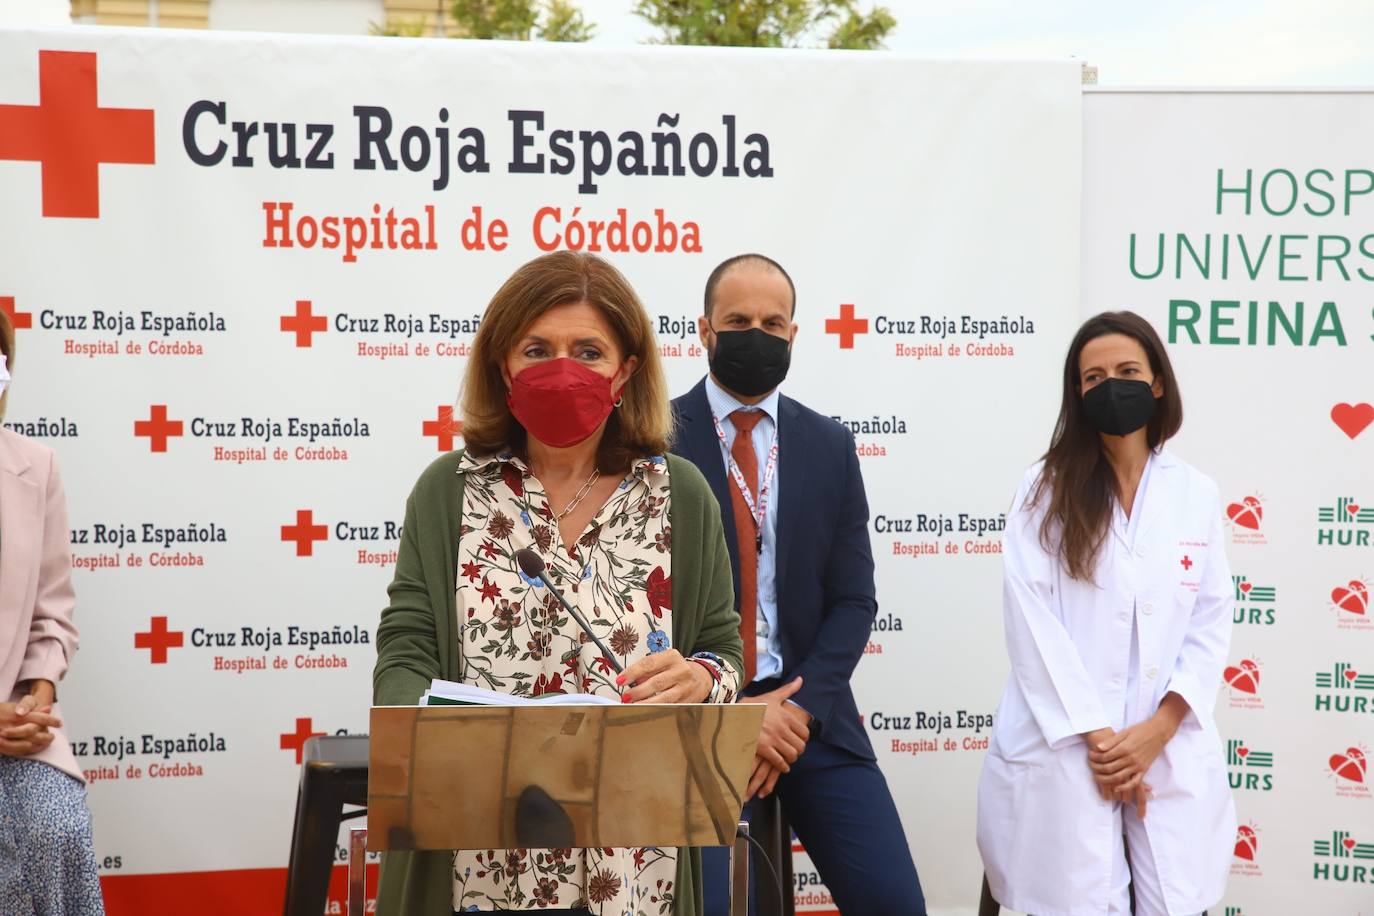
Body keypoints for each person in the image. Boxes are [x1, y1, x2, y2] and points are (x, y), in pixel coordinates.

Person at [373, 251, 745, 916]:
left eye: (589, 351)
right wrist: (427, 738)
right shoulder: (447, 492)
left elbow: (723, 652)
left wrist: (701, 678)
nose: (562, 370)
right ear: (502, 365)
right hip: (474, 850)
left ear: (627, 370)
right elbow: (406, 649)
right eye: (537, 349)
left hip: (631, 864)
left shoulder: (681, 495)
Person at [672, 254, 925, 916]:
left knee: (895, 903)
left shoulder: (829, 445)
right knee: (725, 907)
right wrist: (733, 713)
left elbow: (854, 600)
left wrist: (795, 710)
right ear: (704, 331)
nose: (757, 333)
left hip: (811, 718)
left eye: (772, 321)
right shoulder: (654, 441)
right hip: (702, 722)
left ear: (793, 334)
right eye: (738, 321)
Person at [976, 311, 1236, 916]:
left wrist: (1158, 731)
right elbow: (1033, 625)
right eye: (1094, 377)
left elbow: (1208, 620)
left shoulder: (1195, 494)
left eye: (1127, 371)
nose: (1110, 385)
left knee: (1173, 900)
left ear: (1158, 384)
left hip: (1166, 746)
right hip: (1067, 751)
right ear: (1077, 394)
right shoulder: (1043, 490)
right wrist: (1107, 747)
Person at [0, 308, 106, 914]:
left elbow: (52, 615)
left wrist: (34, 699)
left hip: (19, 728)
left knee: (55, 827)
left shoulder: (34, 467)